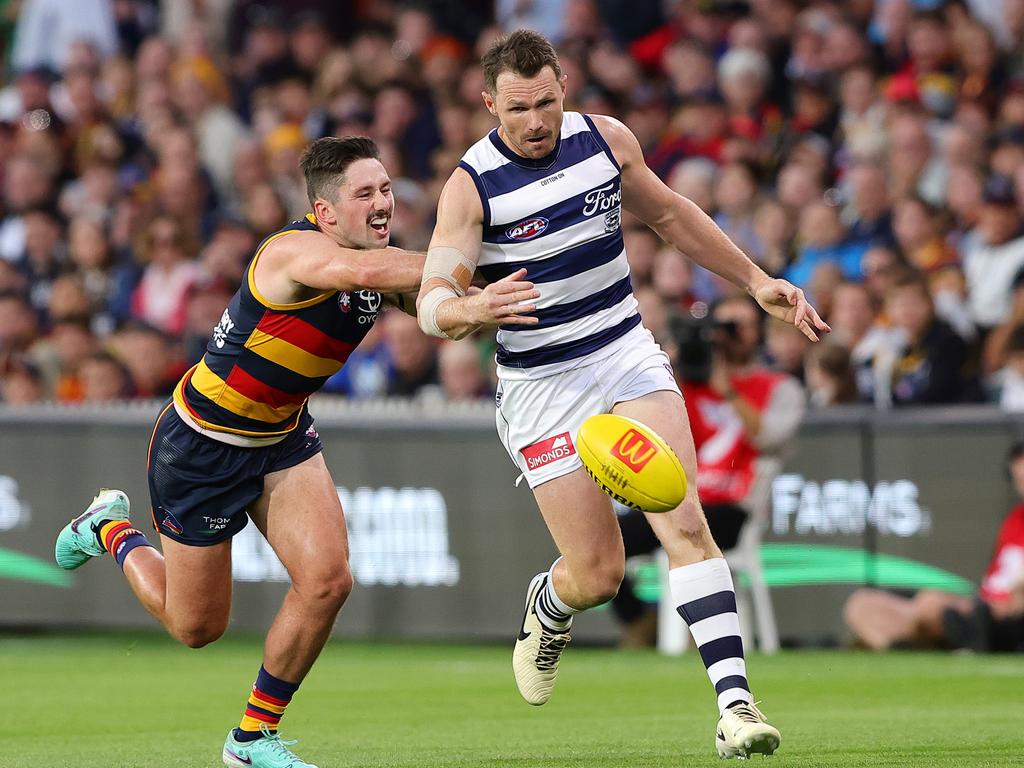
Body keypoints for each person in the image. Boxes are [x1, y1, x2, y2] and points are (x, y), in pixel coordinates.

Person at [416, 30, 829, 760]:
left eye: (546, 101)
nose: (536, 120)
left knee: (682, 515)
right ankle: (550, 606)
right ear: (489, 104)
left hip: (622, 351)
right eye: (518, 109)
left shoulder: (606, 141)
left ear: (564, 87)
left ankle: (734, 705)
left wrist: (756, 280)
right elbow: (432, 300)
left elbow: (670, 216)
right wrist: (468, 310)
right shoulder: (470, 185)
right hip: (541, 385)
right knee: (599, 575)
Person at [54, 137, 433, 768]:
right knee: (196, 628)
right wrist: (471, 253)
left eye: (386, 189)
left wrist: (488, 299)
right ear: (324, 211)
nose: (382, 203)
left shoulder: (382, 261)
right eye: (364, 193)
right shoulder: (293, 252)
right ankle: (110, 529)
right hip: (201, 445)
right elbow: (366, 274)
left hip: (281, 438)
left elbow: (436, 307)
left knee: (328, 581)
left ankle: (251, 740)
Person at [611, 296, 805, 645]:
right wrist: (660, 370)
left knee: (687, 525)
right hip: (677, 496)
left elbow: (770, 439)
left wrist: (727, 390)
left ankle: (696, 634)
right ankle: (641, 622)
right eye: (722, 326)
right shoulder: (685, 382)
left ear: (758, 332)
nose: (729, 337)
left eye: (739, 327)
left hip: (732, 505)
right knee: (606, 541)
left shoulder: (777, 386)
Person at [844, 441, 1024, 652]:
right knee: (861, 604)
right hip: (979, 606)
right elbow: (993, 580)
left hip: (1002, 617)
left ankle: (911, 636)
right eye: (1019, 480)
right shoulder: (1013, 520)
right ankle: (907, 642)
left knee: (931, 602)